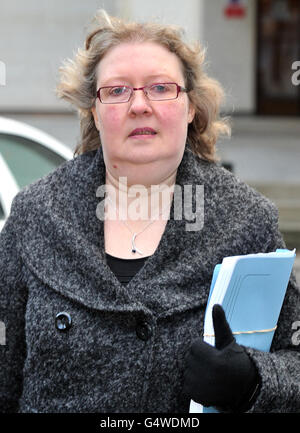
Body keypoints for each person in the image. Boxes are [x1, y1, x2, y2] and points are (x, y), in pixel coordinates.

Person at [0, 9, 299, 413]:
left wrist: (251, 380)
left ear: (191, 107)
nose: (139, 106)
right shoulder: (36, 214)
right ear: (94, 111)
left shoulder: (245, 219)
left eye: (161, 88)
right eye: (118, 90)